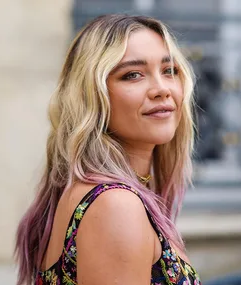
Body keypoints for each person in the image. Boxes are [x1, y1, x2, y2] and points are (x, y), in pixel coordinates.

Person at [15, 14, 200, 285]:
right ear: (93, 95)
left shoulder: (100, 194)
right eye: (132, 75)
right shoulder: (115, 205)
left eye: (169, 70)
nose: (162, 89)